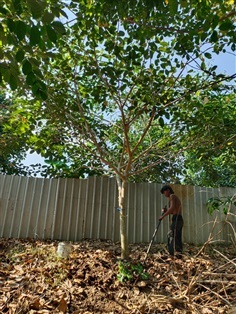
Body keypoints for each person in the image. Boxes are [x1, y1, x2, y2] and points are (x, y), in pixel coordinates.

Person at [159, 185, 184, 258]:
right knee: (177, 237)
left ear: (168, 190)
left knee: (170, 235)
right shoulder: (174, 197)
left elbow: (172, 207)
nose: (164, 194)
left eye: (164, 192)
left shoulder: (172, 196)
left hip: (176, 219)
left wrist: (162, 216)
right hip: (179, 219)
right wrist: (167, 211)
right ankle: (179, 255)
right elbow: (173, 211)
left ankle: (171, 254)